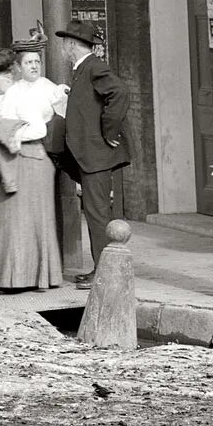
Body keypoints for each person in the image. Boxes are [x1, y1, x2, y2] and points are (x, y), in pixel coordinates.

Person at [51, 18, 132, 287]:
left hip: (96, 155)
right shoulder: (83, 69)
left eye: (65, 43)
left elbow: (119, 93)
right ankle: (101, 267)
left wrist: (108, 133)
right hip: (90, 155)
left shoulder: (93, 67)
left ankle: (105, 272)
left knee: (97, 215)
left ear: (72, 45)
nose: (63, 48)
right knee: (96, 213)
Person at [0, 41, 69, 293]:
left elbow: (40, 127)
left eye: (37, 62)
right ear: (18, 67)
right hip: (18, 160)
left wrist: (13, 136)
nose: (34, 66)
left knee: (28, 220)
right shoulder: (14, 91)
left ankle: (29, 278)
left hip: (32, 159)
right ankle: (17, 277)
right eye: (28, 62)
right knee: (15, 220)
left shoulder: (45, 88)